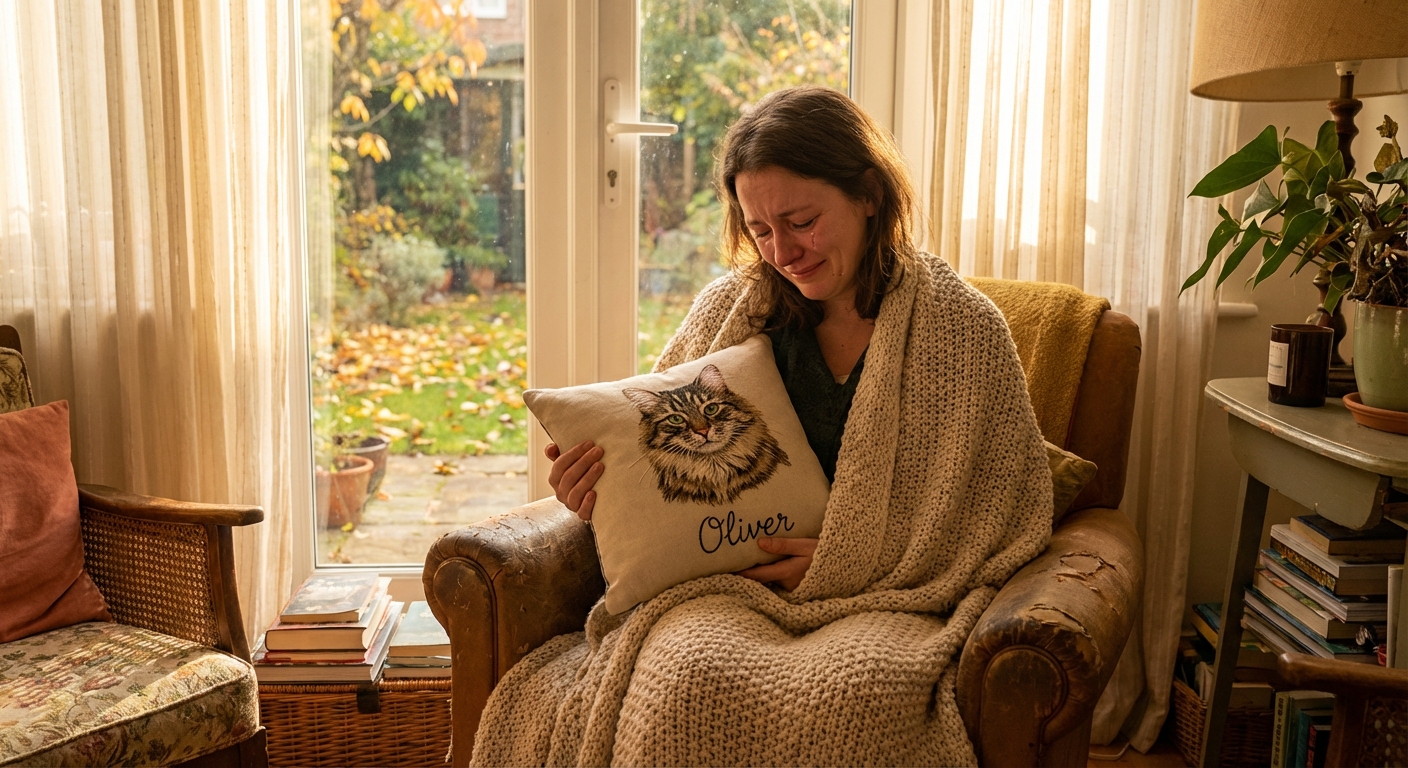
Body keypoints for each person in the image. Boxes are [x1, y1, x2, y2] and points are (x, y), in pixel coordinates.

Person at [471, 86, 1053, 767]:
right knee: (682, 679)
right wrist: (595, 493)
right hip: (726, 588)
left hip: (890, 603)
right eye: (761, 230)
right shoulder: (728, 310)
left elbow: (1002, 514)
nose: (784, 251)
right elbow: (653, 462)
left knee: (859, 701)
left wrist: (843, 558)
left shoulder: (963, 329)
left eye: (801, 221)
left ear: (869, 193)